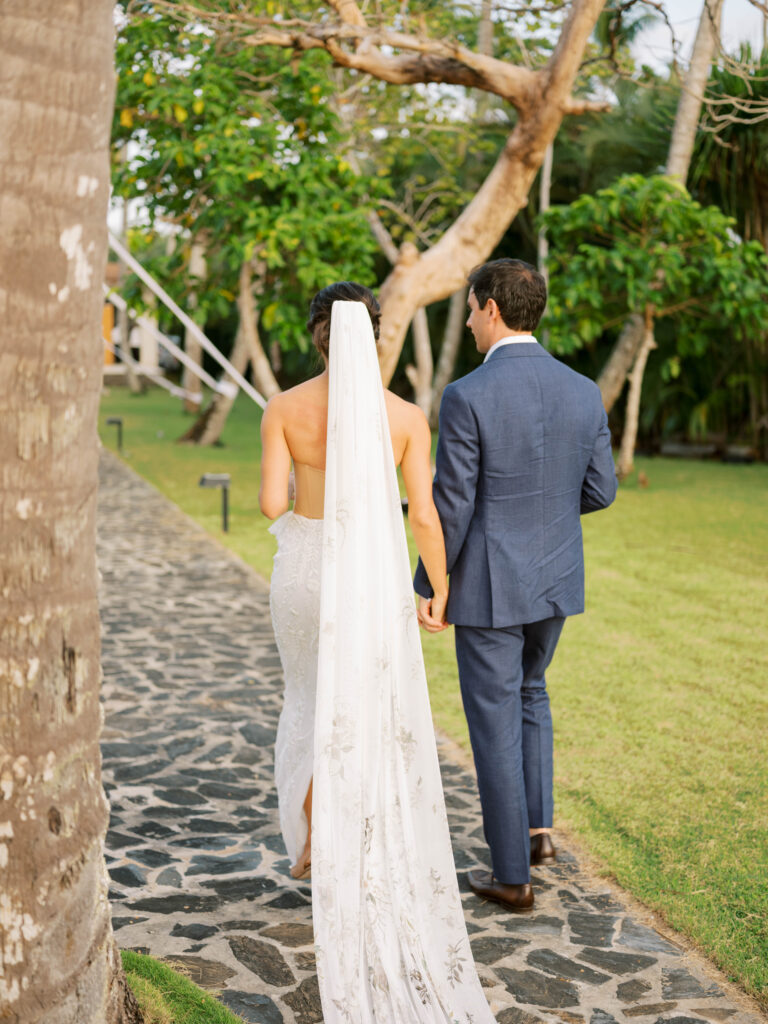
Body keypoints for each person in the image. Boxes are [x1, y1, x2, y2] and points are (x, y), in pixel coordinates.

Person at [260, 284, 495, 1023]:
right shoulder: (403, 418)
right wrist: (442, 589)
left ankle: (307, 835)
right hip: (370, 579)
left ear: (318, 337)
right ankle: (346, 843)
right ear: (377, 337)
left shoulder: (284, 407)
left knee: (305, 698)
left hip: (302, 573)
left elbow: (271, 504)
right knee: (361, 709)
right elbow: (423, 513)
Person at [415, 258, 617, 913]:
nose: (470, 320)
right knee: (532, 695)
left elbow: (452, 505)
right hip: (555, 578)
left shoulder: (468, 395)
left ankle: (512, 877)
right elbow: (600, 490)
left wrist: (430, 581)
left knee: (495, 723)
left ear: (491, 309)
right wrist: (544, 518)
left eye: (472, 309)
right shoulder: (584, 390)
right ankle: (537, 836)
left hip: (491, 589)